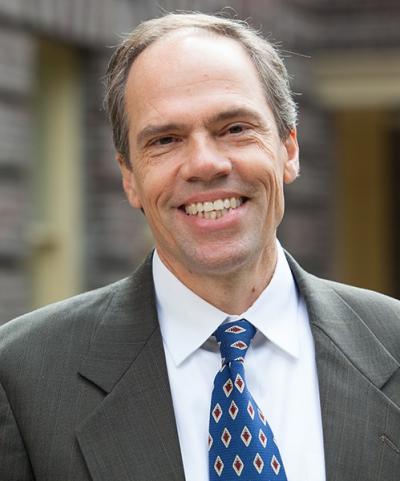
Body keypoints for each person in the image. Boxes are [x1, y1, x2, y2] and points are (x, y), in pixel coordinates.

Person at [0, 12, 399, 481]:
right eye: (166, 140)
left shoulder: (392, 341)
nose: (205, 164)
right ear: (129, 177)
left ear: (289, 149)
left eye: (234, 128)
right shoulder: (22, 376)